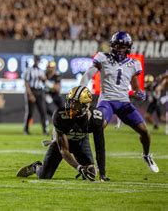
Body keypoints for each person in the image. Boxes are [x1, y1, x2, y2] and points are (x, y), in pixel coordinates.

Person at [80, 31, 159, 173]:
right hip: (107, 101)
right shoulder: (102, 57)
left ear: (128, 48)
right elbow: (89, 74)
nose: (120, 49)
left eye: (123, 46)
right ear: (112, 45)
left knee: (145, 131)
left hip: (124, 103)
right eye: (117, 45)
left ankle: (146, 155)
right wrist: (81, 88)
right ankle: (95, 163)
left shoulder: (134, 64)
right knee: (99, 127)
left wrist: (139, 93)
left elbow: (135, 89)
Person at [17, 86, 106, 181]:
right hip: (62, 141)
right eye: (70, 102)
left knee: (91, 173)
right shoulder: (60, 115)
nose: (71, 106)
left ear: (86, 105)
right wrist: (79, 168)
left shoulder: (96, 119)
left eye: (75, 104)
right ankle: (36, 167)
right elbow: (64, 150)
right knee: (44, 176)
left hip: (81, 141)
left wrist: (102, 174)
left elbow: (99, 147)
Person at [22, 55, 48, 135]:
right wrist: (30, 95)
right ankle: (26, 129)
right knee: (30, 112)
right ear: (34, 60)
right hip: (32, 91)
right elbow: (26, 83)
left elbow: (45, 81)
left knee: (43, 111)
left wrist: (43, 79)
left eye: (38, 60)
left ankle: (44, 130)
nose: (37, 62)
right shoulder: (28, 70)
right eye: (36, 60)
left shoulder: (41, 70)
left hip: (39, 91)